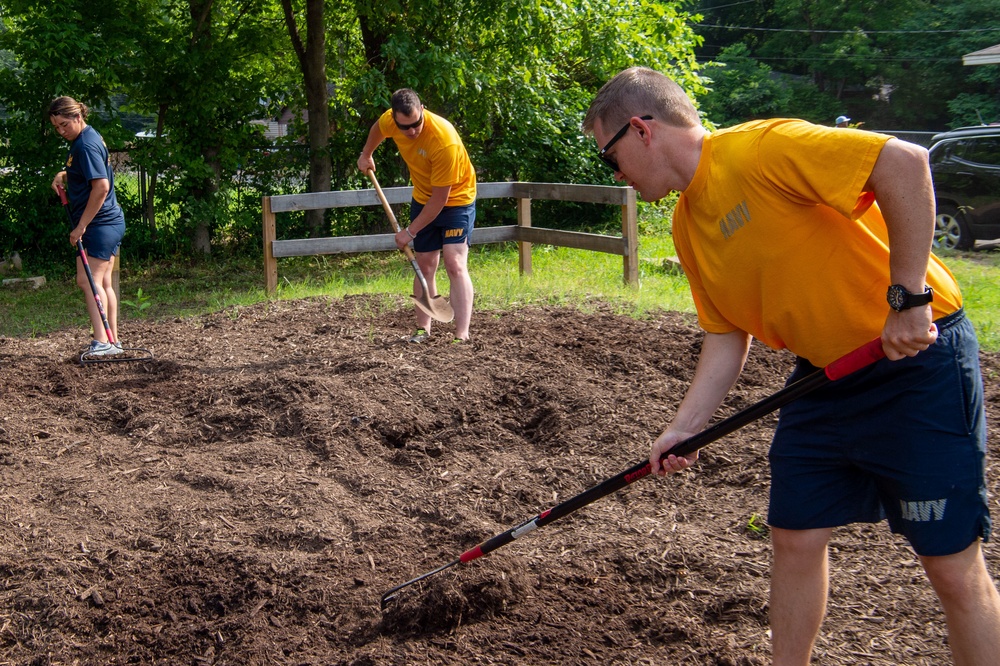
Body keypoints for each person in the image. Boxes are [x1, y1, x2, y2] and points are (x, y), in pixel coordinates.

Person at [584, 66, 1000, 665]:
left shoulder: (760, 149)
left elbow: (904, 162)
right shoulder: (686, 226)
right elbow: (726, 337)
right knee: (794, 537)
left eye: (609, 156)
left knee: (950, 566)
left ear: (642, 130)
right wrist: (686, 426)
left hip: (914, 363)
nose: (615, 173)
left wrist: (908, 298)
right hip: (824, 380)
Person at [357, 88, 477, 343]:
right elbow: (379, 128)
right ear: (396, 119)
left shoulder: (444, 141)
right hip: (423, 198)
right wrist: (367, 153)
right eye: (405, 127)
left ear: (422, 109)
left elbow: (440, 200)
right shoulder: (392, 120)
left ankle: (462, 335)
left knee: (454, 264)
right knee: (424, 264)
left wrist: (409, 232)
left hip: (456, 200)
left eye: (416, 124)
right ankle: (423, 329)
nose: (411, 131)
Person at [49, 96, 126, 358]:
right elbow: (87, 172)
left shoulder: (85, 145)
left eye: (64, 125)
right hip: (108, 221)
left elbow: (101, 187)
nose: (61, 131)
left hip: (99, 223)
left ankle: (102, 341)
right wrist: (65, 175)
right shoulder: (87, 138)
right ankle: (112, 341)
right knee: (103, 282)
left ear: (77, 116)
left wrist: (81, 226)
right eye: (56, 127)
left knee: (88, 281)